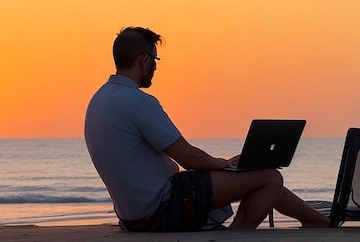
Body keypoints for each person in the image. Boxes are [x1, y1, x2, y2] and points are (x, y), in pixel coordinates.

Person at [84, 26, 329, 231]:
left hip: (133, 217)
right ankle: (239, 234)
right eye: (155, 60)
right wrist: (220, 164)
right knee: (269, 176)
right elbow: (189, 157)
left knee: (253, 171)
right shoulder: (139, 103)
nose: (156, 67)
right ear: (145, 60)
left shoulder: (99, 100)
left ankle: (315, 220)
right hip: (163, 207)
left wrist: (226, 166)